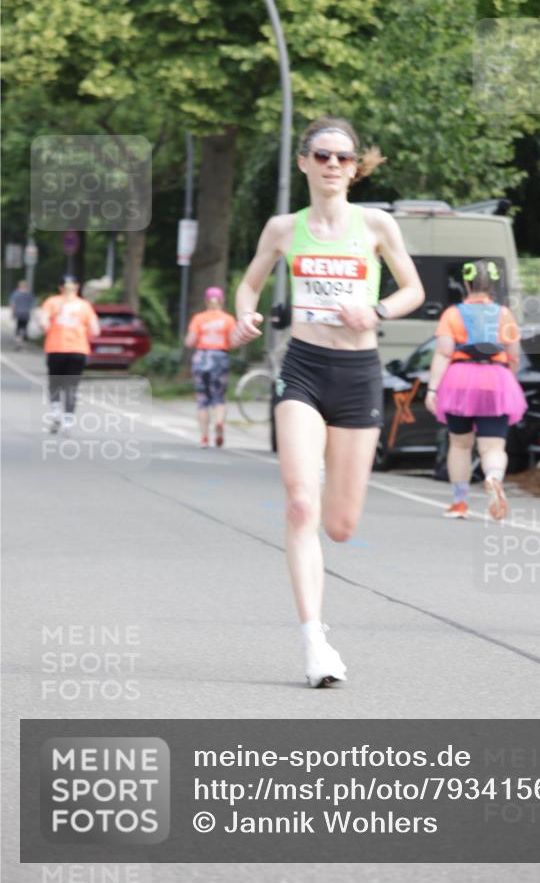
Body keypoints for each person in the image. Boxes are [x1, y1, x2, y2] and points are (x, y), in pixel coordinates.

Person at [231, 117, 424, 687]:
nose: (333, 165)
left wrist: (377, 310)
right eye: (322, 155)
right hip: (304, 369)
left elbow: (413, 290)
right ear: (304, 163)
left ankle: (324, 494)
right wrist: (244, 315)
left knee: (339, 525)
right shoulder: (283, 229)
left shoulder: (377, 225)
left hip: (358, 375)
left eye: (343, 157)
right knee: (299, 504)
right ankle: (314, 642)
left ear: (355, 166)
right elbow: (249, 284)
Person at [425, 259, 526, 521]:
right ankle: (493, 476)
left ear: (466, 283)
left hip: (459, 380)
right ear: (493, 285)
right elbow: (514, 354)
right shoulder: (504, 314)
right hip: (496, 380)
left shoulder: (452, 314)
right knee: (493, 447)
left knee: (460, 444)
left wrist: (433, 389)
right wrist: (507, 380)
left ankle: (460, 502)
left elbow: (443, 353)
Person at [39, 274, 100, 434]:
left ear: (60, 288)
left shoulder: (52, 302)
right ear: (77, 287)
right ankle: (68, 422)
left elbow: (43, 323)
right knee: (71, 387)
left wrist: (51, 329)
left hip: (56, 348)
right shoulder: (85, 305)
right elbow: (95, 330)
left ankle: (55, 412)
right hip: (78, 350)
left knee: (55, 383)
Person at [184, 287, 238, 448]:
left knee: (202, 399)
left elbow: (189, 342)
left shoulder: (199, 318)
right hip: (220, 358)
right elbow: (234, 342)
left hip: (201, 358)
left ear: (206, 301)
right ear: (222, 301)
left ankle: (204, 437)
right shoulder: (228, 319)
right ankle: (219, 422)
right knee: (218, 397)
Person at [9, 279, 34, 349]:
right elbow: (32, 305)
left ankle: (18, 341)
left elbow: (13, 304)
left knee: (18, 327)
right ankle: (23, 339)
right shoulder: (29, 294)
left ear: (19, 286)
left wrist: (13, 313)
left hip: (18, 313)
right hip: (26, 313)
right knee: (24, 327)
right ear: (26, 286)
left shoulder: (16, 294)